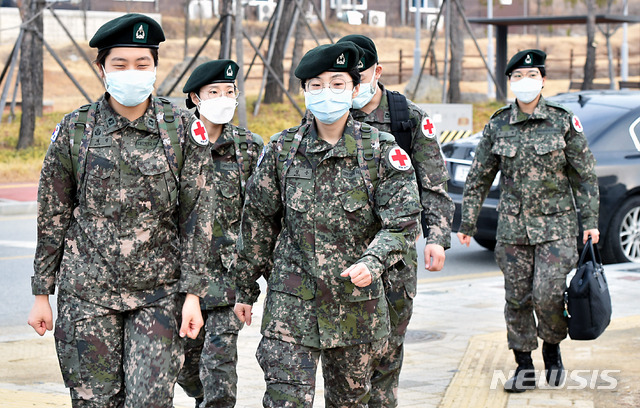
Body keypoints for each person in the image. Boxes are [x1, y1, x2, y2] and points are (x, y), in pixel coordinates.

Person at [27, 13, 214, 407]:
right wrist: (42, 292)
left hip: (159, 296)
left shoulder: (182, 129)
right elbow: (52, 215)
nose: (132, 72)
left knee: (150, 400)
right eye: (120, 64)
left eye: (142, 64)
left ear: (155, 68)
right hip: (87, 294)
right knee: (94, 402)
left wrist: (194, 294)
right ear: (102, 69)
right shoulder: (76, 130)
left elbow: (197, 219)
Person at [232, 42, 422, 407]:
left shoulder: (381, 152)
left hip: (354, 305)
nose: (326, 93)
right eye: (315, 85)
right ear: (304, 91)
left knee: (350, 400)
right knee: (284, 400)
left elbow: (402, 223)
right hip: (291, 304)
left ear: (354, 89)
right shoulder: (281, 151)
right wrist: (245, 289)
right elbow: (257, 222)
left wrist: (374, 261)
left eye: (337, 84)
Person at [456, 49, 600, 393]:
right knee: (517, 299)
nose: (525, 82)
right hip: (512, 230)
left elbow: (584, 174)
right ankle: (524, 365)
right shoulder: (497, 124)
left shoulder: (563, 121)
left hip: (556, 228)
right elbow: (478, 177)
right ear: (510, 83)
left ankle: (552, 348)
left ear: (543, 81)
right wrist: (467, 224)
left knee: (549, 295)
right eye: (518, 77)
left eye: (531, 76)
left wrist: (590, 221)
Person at [338, 34, 454, 407]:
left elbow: (433, 182)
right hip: (344, 258)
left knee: (387, 353)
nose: (353, 83)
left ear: (377, 72)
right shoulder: (330, 115)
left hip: (395, 258)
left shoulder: (407, 118)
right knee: (347, 358)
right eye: (345, 75)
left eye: (360, 73)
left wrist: (436, 237)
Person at [177, 60, 264, 408]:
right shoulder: (175, 142)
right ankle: (198, 394)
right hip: (182, 282)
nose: (224, 98)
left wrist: (252, 280)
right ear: (196, 97)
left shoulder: (249, 148)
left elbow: (261, 216)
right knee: (186, 367)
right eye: (215, 92)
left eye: (230, 92)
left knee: (219, 373)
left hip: (228, 281)